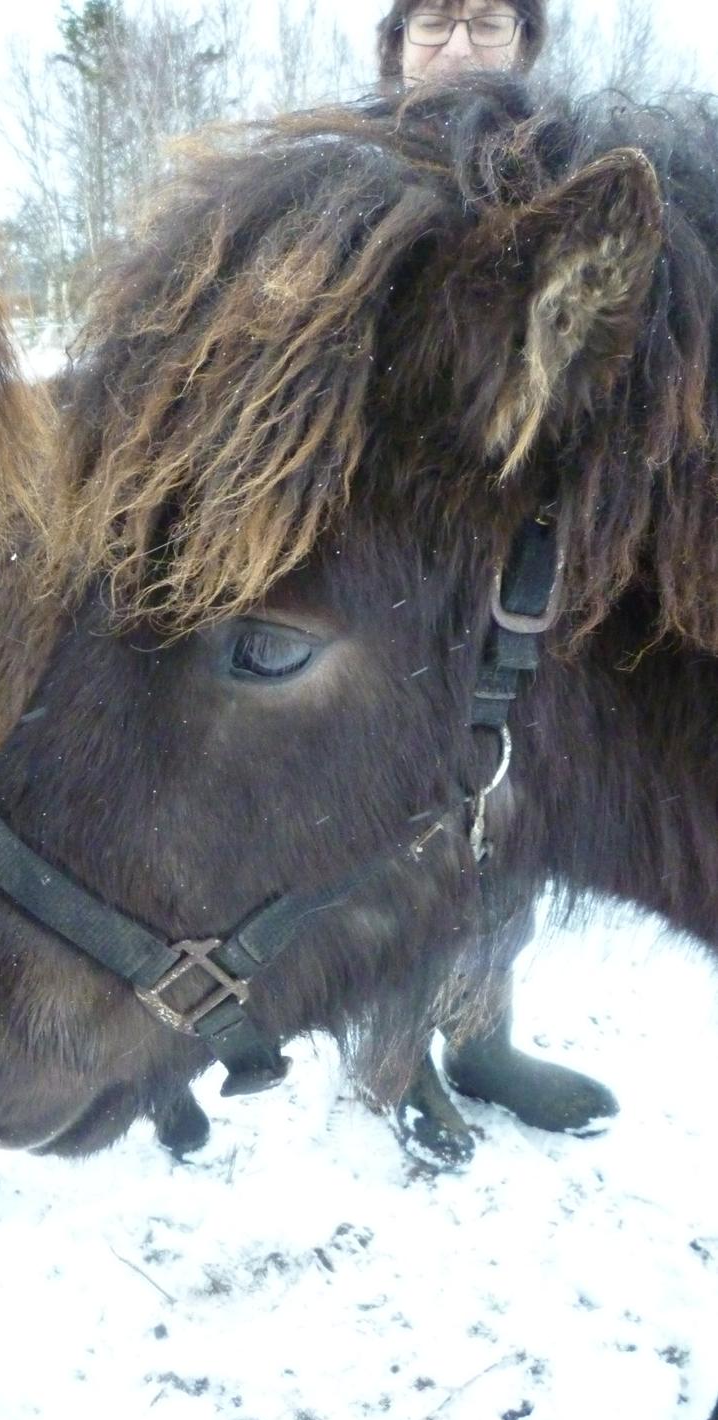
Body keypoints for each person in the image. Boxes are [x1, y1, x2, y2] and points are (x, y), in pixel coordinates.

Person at [369, 0, 620, 1167]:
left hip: (531, 570)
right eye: (432, 22)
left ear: (526, 47)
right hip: (381, 570)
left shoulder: (578, 181)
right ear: (394, 47)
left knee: (512, 812)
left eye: (487, 20)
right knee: (394, 822)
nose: (460, 45)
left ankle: (480, 1036)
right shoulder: (337, 175)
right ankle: (391, 1048)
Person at [376, 0, 548, 88]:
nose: (458, 50)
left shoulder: (559, 152)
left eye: (488, 25)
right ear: (399, 45)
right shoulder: (357, 152)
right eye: (432, 24)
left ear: (522, 48)